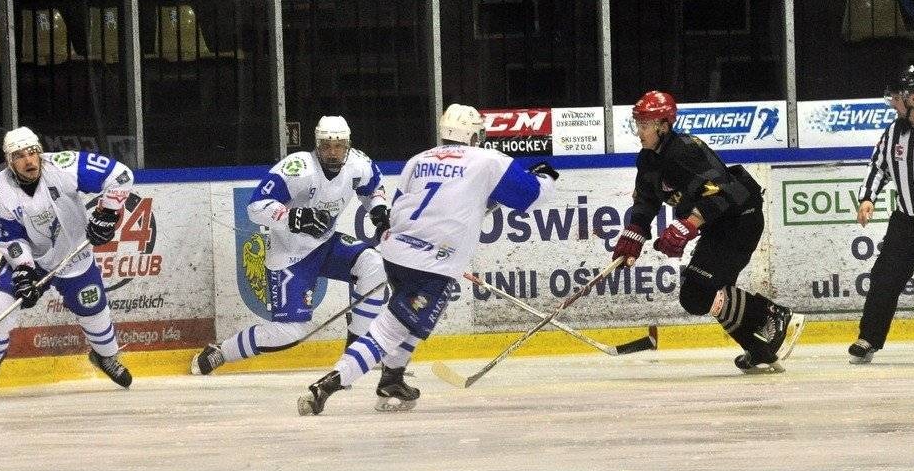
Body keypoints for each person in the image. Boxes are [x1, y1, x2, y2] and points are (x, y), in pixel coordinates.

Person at [297, 103, 558, 416]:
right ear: (475, 134)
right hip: (432, 263)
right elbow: (530, 197)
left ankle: (393, 379)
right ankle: (327, 386)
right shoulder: (487, 159)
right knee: (391, 329)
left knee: (412, 317)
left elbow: (408, 206)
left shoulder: (418, 160)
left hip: (396, 255)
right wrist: (546, 176)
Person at [611, 91, 805, 373]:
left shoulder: (685, 151)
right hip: (721, 227)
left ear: (663, 125)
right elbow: (646, 200)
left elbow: (727, 192)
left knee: (698, 293)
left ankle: (772, 314)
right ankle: (759, 348)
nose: (639, 131)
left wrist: (689, 223)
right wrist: (634, 233)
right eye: (637, 124)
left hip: (740, 221)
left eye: (645, 125)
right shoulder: (648, 159)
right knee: (704, 293)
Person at [190, 116, 391, 377]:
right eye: (327, 146)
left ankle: (357, 351)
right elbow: (255, 207)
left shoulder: (358, 164)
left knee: (374, 265)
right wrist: (292, 216)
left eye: (339, 146)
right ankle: (220, 351)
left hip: (326, 245)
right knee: (289, 332)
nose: (333, 152)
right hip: (290, 254)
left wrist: (378, 211)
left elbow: (373, 187)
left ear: (348, 145)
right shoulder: (298, 168)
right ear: (317, 145)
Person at [0, 127, 134, 398]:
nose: (29, 160)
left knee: (94, 311)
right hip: (32, 260)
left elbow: (121, 175)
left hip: (75, 255)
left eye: (33, 152)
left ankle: (104, 356)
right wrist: (24, 271)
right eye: (20, 156)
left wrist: (107, 213)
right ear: (8, 160)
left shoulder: (63, 165)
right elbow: (10, 238)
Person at [849, 64, 914, 364]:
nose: (891, 102)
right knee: (884, 278)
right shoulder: (894, 132)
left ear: (913, 98)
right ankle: (868, 339)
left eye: (895, 97)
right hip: (906, 220)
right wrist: (868, 197)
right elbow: (879, 167)